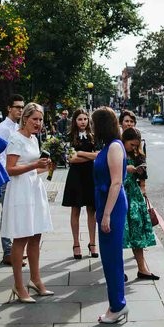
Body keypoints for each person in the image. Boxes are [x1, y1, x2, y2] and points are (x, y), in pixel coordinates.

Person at [3, 103, 55, 303]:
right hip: (20, 192)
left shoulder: (34, 139)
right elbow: (10, 169)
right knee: (21, 237)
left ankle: (35, 279)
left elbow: (34, 169)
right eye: (35, 119)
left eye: (40, 120)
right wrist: (35, 164)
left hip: (34, 188)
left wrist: (47, 167)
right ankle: (18, 285)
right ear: (25, 119)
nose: (38, 123)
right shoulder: (16, 138)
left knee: (35, 236)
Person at [91, 106, 129, 324]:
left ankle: (118, 306)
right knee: (109, 257)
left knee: (112, 258)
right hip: (106, 203)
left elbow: (116, 182)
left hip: (111, 205)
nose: (92, 128)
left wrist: (106, 215)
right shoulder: (110, 146)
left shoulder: (114, 147)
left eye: (95, 124)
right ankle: (116, 303)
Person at [121, 127, 159, 280]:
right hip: (121, 194)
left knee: (136, 229)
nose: (134, 148)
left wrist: (140, 170)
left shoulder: (137, 154)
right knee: (122, 233)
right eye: (132, 144)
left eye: (137, 145)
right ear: (124, 141)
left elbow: (143, 174)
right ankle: (118, 270)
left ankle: (142, 269)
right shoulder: (117, 152)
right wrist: (126, 169)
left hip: (134, 195)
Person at [61, 109, 98, 260]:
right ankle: (76, 244)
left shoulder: (94, 137)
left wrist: (81, 154)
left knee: (92, 211)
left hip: (91, 175)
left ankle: (92, 242)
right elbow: (71, 159)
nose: (83, 121)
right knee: (75, 210)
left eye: (85, 119)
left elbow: (98, 155)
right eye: (79, 119)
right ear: (74, 121)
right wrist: (89, 156)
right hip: (75, 176)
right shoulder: (69, 137)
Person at [0, 95, 25, 265]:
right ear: (9, 108)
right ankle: (8, 251)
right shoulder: (3, 128)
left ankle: (15, 249)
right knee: (7, 213)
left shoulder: (18, 127)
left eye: (22, 107)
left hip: (16, 175)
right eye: (17, 107)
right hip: (6, 176)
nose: (20, 110)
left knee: (15, 212)